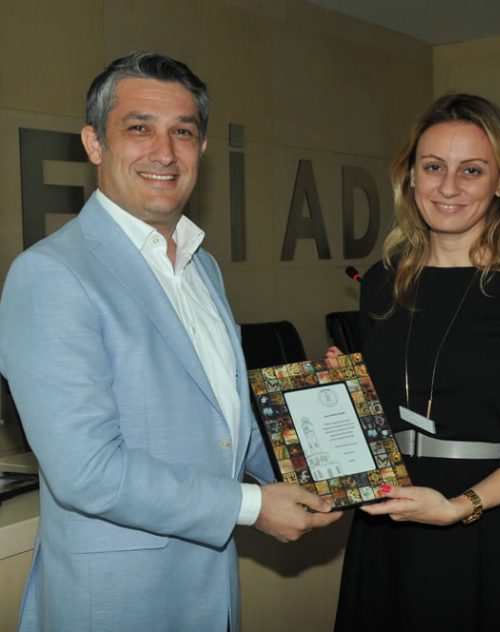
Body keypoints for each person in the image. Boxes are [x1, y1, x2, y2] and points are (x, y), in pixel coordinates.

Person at [0, 52, 341, 632]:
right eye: (139, 128)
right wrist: (252, 506)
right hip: (117, 602)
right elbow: (87, 471)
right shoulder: (52, 274)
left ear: (201, 148)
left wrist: (319, 454)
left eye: (182, 132)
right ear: (94, 143)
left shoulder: (202, 265)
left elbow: (224, 421)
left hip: (210, 589)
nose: (164, 153)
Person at [332, 93, 500, 631]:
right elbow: (384, 411)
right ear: (410, 177)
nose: (448, 187)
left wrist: (460, 506)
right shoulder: (382, 282)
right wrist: (343, 394)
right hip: (389, 519)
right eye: (433, 167)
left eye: (471, 170)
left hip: (493, 521)